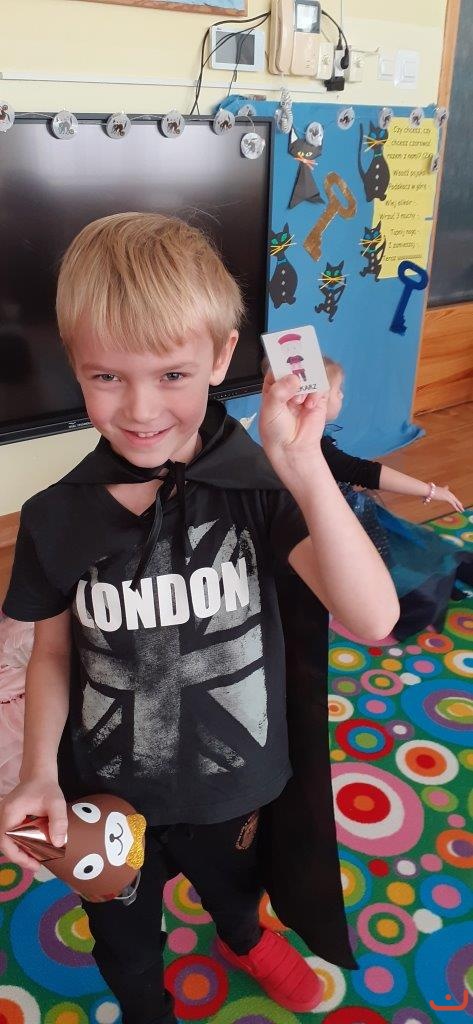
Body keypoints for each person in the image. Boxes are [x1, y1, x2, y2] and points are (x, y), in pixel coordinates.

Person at [0, 214, 399, 1024]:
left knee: (237, 891)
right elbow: (51, 655)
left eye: (173, 374)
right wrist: (35, 771)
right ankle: (146, 1007)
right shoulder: (53, 517)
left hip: (236, 788)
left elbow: (372, 617)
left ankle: (243, 939)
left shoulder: (258, 489)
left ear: (221, 357)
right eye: (107, 376)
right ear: (74, 364)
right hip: (109, 801)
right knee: (124, 940)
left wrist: (302, 466)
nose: (141, 408)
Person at [322, 356, 472, 640]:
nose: (342, 396)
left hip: (353, 516)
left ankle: (447, 575)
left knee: (416, 546)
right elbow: (366, 471)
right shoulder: (315, 447)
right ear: (317, 399)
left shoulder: (312, 440)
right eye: (338, 390)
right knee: (399, 564)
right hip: (344, 527)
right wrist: (430, 490)